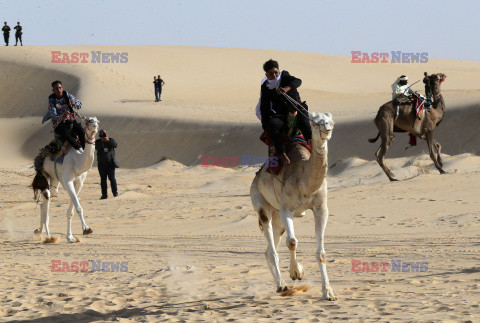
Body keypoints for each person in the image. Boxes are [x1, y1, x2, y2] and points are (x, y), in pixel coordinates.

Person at [258, 59, 312, 164]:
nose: (274, 75)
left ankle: (311, 142)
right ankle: (281, 153)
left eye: (276, 72)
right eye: (271, 73)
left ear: (278, 70)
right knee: (273, 125)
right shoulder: (265, 87)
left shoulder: (285, 76)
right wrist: (265, 126)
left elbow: (298, 81)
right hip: (281, 113)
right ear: (266, 74)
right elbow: (264, 107)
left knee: (304, 121)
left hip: (297, 107)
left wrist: (286, 88)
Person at [34, 81, 85, 172]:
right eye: (56, 88)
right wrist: (62, 115)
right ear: (53, 90)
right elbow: (53, 114)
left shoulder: (68, 96)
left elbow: (79, 105)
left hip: (71, 120)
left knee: (81, 131)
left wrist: (74, 103)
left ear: (62, 88)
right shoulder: (52, 100)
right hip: (59, 123)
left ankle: (84, 151)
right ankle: (78, 149)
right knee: (66, 134)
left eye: (60, 87)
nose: (59, 89)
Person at [95, 129, 118, 199]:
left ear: (106, 133)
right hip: (101, 164)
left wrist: (107, 140)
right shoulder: (98, 142)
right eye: (101, 135)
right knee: (103, 179)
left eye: (104, 134)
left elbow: (115, 145)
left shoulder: (111, 140)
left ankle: (115, 193)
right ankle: (104, 195)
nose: (103, 136)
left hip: (110, 163)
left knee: (112, 178)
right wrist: (102, 141)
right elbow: (97, 148)